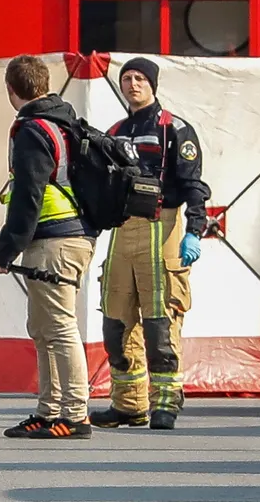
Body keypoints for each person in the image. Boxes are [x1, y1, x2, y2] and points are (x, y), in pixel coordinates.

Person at [89, 57, 209, 431]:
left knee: (160, 325)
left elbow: (194, 186)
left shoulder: (175, 129)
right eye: (126, 78)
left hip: (164, 227)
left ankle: (166, 404)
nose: (133, 84)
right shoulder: (116, 130)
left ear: (153, 84)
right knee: (116, 323)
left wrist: (195, 229)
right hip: (123, 231)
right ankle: (128, 405)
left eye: (140, 78)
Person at [0, 54, 99, 439]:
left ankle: (74, 413)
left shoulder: (33, 130)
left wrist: (6, 251)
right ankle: (49, 410)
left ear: (11, 90)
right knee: (42, 327)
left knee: (59, 327)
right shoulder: (63, 122)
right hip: (70, 236)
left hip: (55, 238)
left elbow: (28, 195)